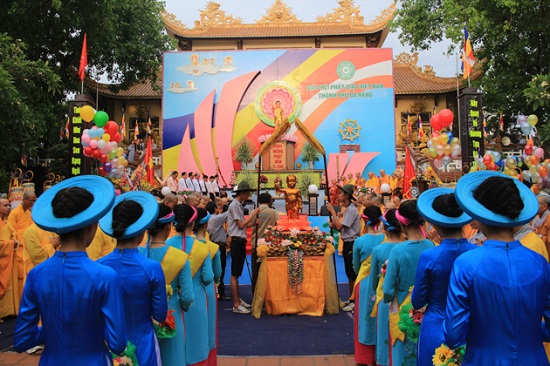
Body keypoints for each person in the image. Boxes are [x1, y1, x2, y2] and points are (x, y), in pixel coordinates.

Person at [13, 176, 127, 364]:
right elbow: (117, 343)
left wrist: (52, 329)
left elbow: (22, 340)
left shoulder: (36, 274)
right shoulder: (105, 276)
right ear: (92, 226)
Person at [445, 171, 550, 364]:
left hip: (483, 358)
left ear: (482, 212)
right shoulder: (539, 263)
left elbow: (453, 335)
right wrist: (528, 332)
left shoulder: (466, 264)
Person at [98, 191, 167, 366]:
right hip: (143, 344)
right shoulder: (151, 267)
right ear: (141, 230)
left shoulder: (98, 266)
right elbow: (160, 314)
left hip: (106, 345)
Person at [412, 188, 477, 366]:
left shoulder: (430, 256)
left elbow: (417, 301)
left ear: (436, 224)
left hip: (436, 324)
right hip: (472, 326)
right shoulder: (478, 253)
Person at [139, 204, 194, 366]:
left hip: (141, 319)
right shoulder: (181, 257)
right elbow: (188, 297)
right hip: (172, 316)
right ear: (169, 226)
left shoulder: (137, 253)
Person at [382, 199, 434, 366]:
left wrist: (388, 298)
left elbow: (388, 289)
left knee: (401, 351)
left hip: (401, 307)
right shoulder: (431, 246)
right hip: (427, 308)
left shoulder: (398, 250)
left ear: (402, 224)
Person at [167, 204, 213, 365]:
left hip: (168, 304)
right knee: (196, 346)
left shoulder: (166, 245)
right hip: (195, 298)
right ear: (193, 223)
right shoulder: (201, 248)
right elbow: (208, 277)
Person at [367, 209, 403, 366]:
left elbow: (373, 282)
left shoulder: (379, 250)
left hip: (384, 298)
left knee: (384, 335)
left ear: (384, 227)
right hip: (406, 300)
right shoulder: (409, 248)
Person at [352, 205, 385, 365]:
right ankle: (381, 354)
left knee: (365, 318)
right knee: (381, 318)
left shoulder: (360, 241)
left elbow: (356, 266)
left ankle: (365, 357)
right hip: (384, 281)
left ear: (364, 219)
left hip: (365, 283)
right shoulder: (386, 240)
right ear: (380, 220)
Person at [227, 181, 260, 314]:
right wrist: (252, 214)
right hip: (236, 240)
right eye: (248, 193)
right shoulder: (234, 205)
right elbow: (240, 225)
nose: (249, 195)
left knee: (238, 272)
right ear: (243, 192)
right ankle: (236, 304)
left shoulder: (238, 205)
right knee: (235, 274)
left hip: (239, 239)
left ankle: (239, 301)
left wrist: (253, 222)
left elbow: (243, 225)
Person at [194, 208, 221, 363]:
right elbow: (215, 275)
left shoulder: (175, 246)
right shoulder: (211, 247)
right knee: (208, 330)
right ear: (205, 226)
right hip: (205, 291)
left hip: (178, 292)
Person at [326, 184, 360, 299]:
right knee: (349, 272)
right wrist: (333, 225)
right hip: (347, 242)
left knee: (352, 272)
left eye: (340, 193)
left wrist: (333, 213)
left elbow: (340, 227)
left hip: (351, 243)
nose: (338, 195)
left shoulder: (351, 210)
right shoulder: (347, 209)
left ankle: (354, 298)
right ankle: (352, 297)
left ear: (347, 195)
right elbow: (341, 227)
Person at [251, 192, 278, 289]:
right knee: (268, 271)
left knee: (256, 271)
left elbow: (249, 224)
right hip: (268, 244)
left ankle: (255, 292)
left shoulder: (255, 212)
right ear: (270, 201)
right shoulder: (273, 212)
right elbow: (277, 226)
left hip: (256, 243)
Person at [206, 201, 230, 300]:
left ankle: (218, 290)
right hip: (218, 246)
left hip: (213, 245)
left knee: (216, 269)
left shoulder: (210, 219)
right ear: (215, 209)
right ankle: (219, 291)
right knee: (220, 269)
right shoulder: (215, 218)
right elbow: (228, 213)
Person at [0, 198, 20, 318]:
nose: (8, 208)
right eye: (5, 205)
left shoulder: (6, 222)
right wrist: (11, 243)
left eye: (9, 205)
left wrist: (13, 241)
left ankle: (8, 311)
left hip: (8, 259)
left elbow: (13, 234)